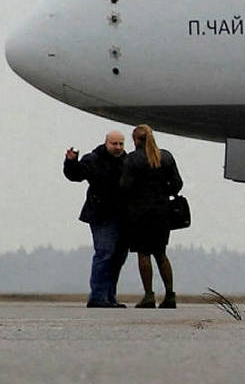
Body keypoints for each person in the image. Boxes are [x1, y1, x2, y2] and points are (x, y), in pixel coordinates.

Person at [63, 130, 129, 308]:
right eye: (114, 144)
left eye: (121, 144)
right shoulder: (93, 159)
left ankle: (109, 296)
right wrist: (70, 162)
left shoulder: (127, 161)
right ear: (106, 143)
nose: (118, 147)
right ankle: (98, 296)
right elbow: (75, 175)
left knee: (118, 257)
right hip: (101, 214)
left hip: (123, 216)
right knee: (104, 253)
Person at [119, 124, 181, 309]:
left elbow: (125, 186)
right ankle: (170, 295)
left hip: (140, 212)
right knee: (161, 254)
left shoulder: (132, 159)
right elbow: (177, 183)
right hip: (162, 211)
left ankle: (148, 295)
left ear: (135, 140)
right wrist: (163, 192)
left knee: (143, 254)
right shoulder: (166, 156)